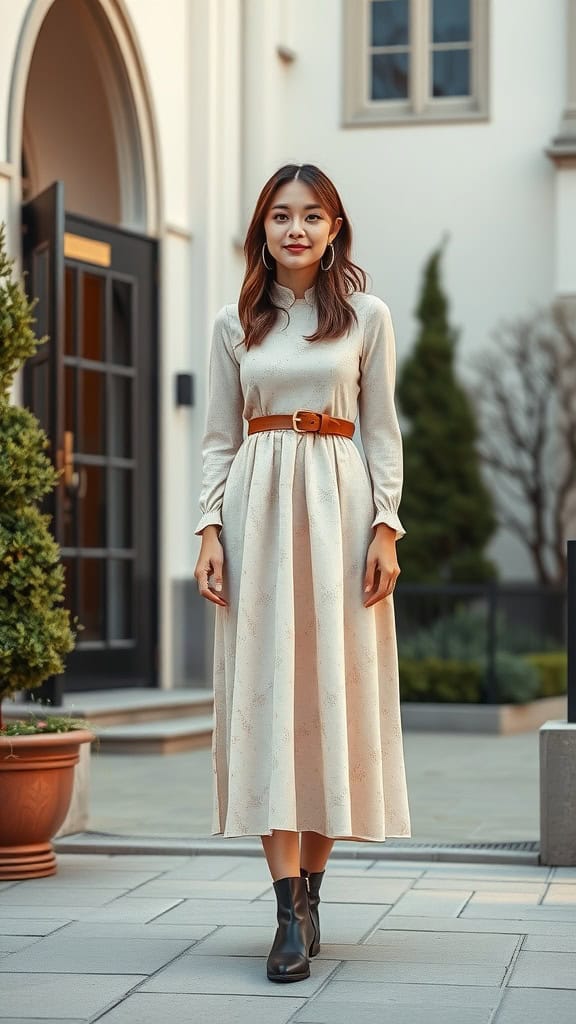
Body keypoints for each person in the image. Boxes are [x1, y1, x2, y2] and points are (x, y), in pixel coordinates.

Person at [194, 163, 411, 983]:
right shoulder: (233, 322)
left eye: (311, 216)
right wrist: (207, 527)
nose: (295, 229)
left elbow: (383, 431)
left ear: (332, 229)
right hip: (256, 511)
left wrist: (387, 528)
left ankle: (314, 887)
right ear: (263, 229)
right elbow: (219, 436)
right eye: (281, 216)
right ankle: (285, 909)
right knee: (265, 696)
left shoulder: (366, 316)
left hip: (341, 509)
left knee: (331, 696)